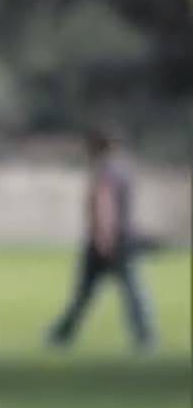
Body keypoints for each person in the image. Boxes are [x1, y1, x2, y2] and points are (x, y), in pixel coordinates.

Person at [44, 124, 157, 353]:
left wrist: (103, 237)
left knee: (92, 294)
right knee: (129, 292)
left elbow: (104, 204)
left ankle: (61, 335)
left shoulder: (104, 172)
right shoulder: (121, 171)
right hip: (121, 240)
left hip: (109, 242)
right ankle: (62, 335)